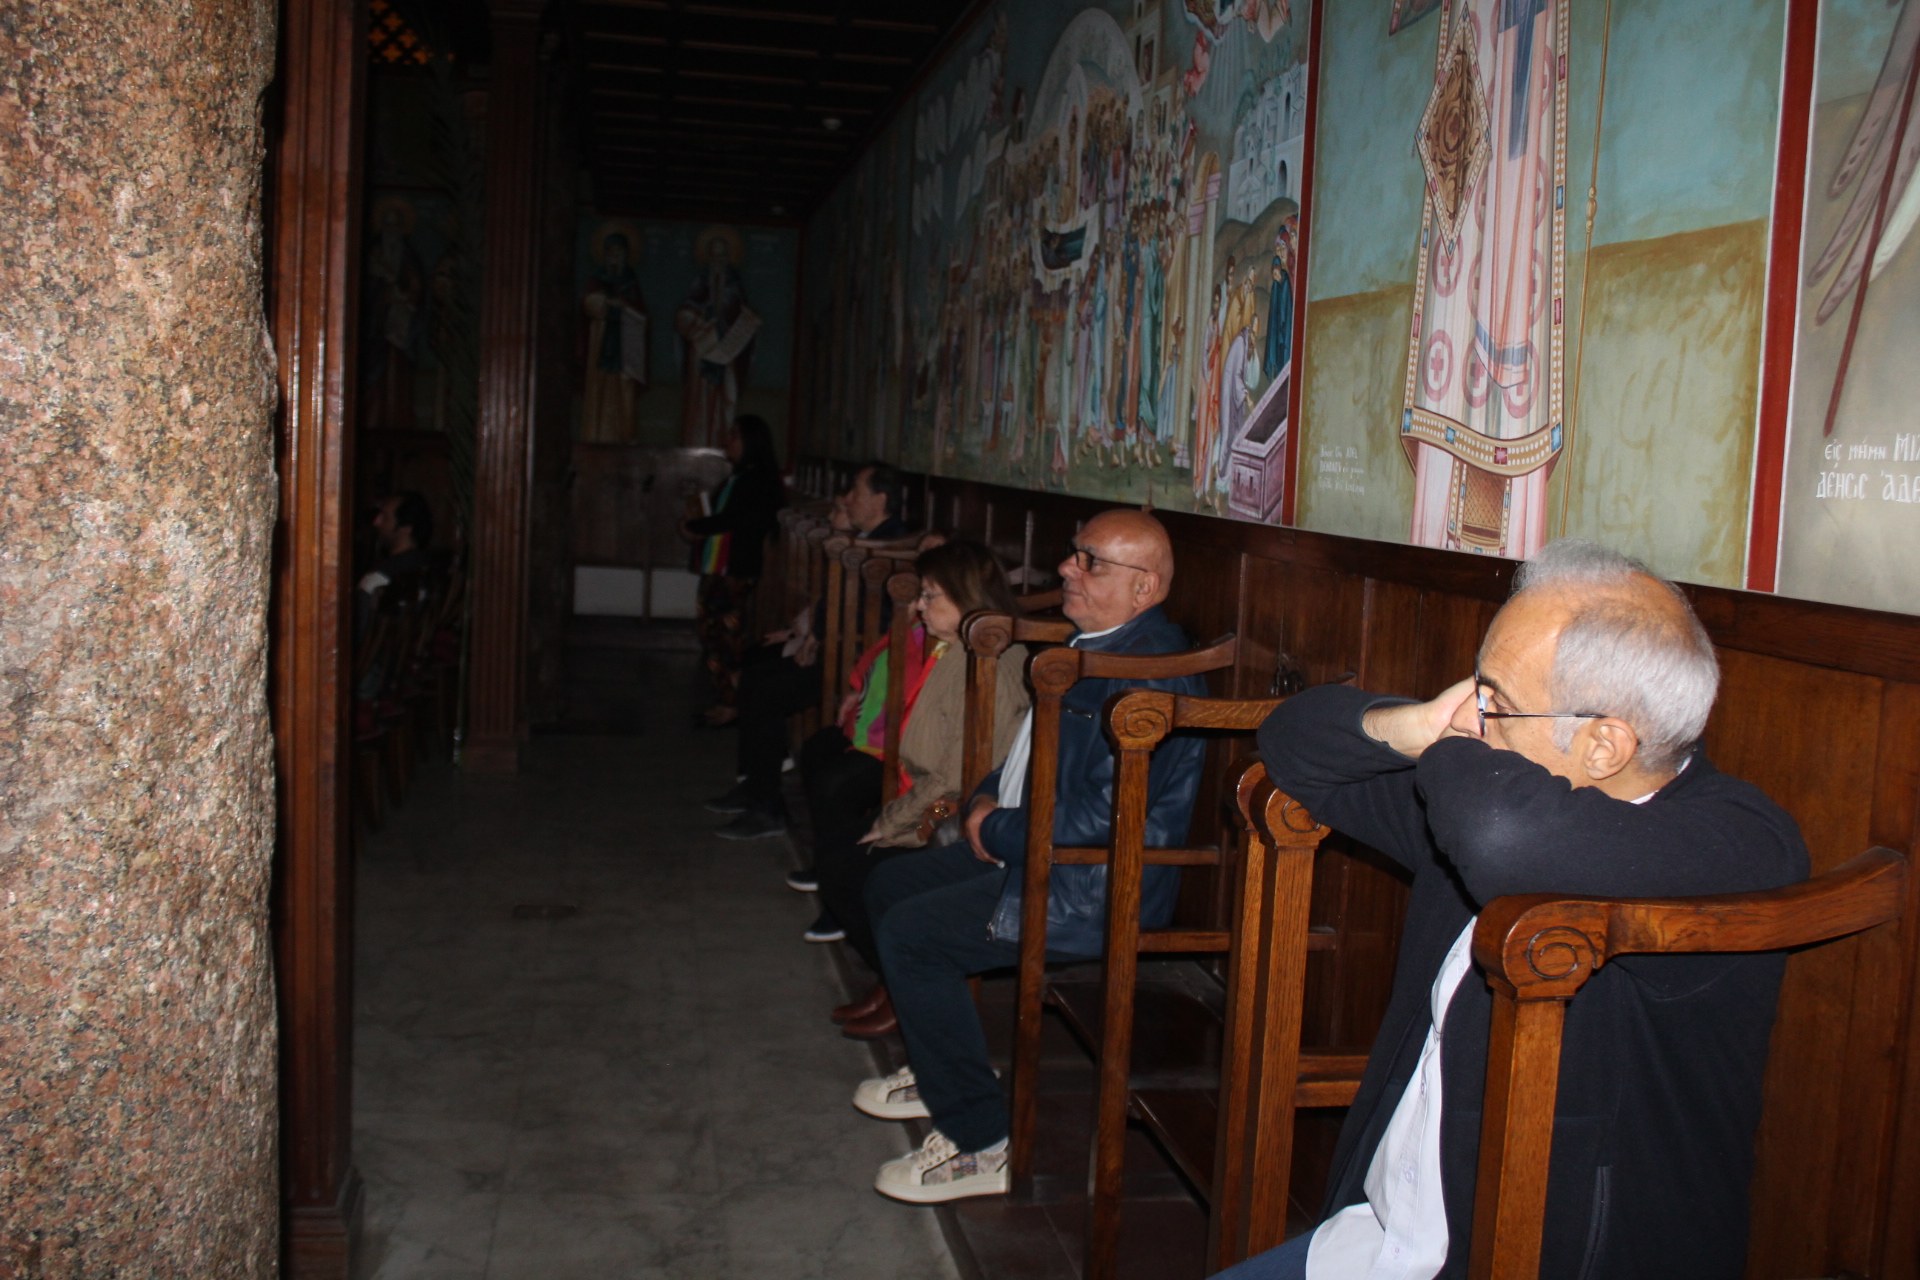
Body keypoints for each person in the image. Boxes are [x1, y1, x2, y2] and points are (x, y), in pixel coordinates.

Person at [1220, 539, 1809, 1280]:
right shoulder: (1484, 793)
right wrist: (1412, 724)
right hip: (1377, 1243)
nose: (1471, 714)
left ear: (1604, 746)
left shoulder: (1738, 846)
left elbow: (1504, 836)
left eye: (1493, 701)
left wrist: (1447, 748)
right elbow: (1293, 739)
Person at [853, 510, 1208, 1204]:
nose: (1068, 567)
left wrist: (996, 827)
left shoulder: (1148, 678)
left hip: (1086, 884)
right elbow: (1025, 756)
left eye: (1091, 561)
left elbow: (1102, 823)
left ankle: (981, 1142)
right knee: (889, 887)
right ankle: (943, 1068)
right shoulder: (1092, 646)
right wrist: (986, 801)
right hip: (1031, 851)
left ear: (1144, 587)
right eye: (1074, 554)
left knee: (914, 935)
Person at [817, 540, 1032, 1040]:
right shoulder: (955, 651)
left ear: (967, 596)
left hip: (957, 813)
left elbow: (960, 777)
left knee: (853, 870)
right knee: (841, 856)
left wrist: (894, 822)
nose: (918, 606)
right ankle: (892, 981)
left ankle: (902, 984)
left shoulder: (990, 664)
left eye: (930, 595)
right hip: (934, 798)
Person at [707, 462, 911, 838]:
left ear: (880, 500)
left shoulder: (891, 545)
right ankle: (755, 784)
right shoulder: (869, 538)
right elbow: (840, 603)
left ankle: (767, 806)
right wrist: (812, 633)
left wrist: (820, 635)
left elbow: (879, 619)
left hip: (858, 662)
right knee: (755, 673)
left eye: (856, 493)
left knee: (767, 691)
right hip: (840, 647)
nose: (846, 500)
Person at [683, 416, 786, 726]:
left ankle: (731, 705)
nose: (727, 441)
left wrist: (694, 527)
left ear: (752, 441)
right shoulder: (742, 476)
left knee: (725, 637)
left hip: (734, 568)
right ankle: (724, 699)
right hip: (721, 566)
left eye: (735, 435)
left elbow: (735, 519)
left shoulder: (758, 479)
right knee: (713, 633)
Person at [355, 491, 434, 641]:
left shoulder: (375, 581)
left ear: (405, 528)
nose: (376, 522)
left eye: (385, 517)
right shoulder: (429, 567)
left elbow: (360, 639)